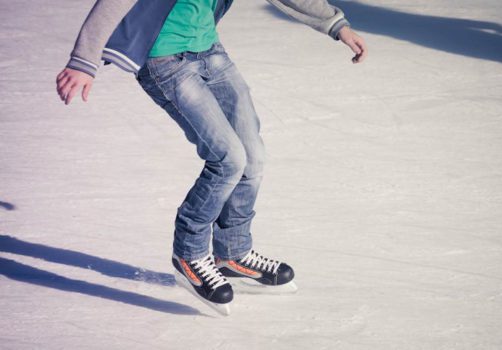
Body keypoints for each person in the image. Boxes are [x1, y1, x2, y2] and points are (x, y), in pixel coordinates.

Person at [56, 0, 367, 316]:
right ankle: (189, 254)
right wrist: (83, 61)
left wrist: (336, 24)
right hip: (164, 61)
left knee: (253, 156)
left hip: (210, 52)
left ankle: (233, 252)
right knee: (228, 158)